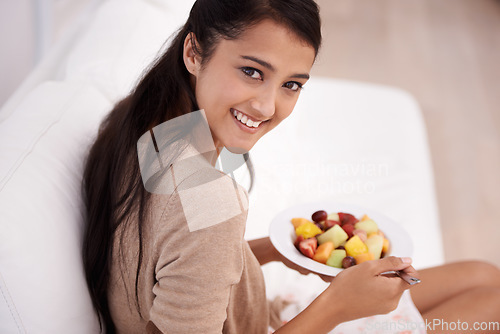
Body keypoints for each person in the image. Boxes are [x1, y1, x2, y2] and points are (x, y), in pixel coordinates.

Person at [82, 0, 500, 333]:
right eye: (251, 71)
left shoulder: (153, 126)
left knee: (484, 275)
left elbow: (185, 262)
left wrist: (278, 251)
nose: (267, 106)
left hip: (262, 316)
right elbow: (199, 238)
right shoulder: (204, 197)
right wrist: (337, 306)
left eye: (291, 85)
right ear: (194, 52)